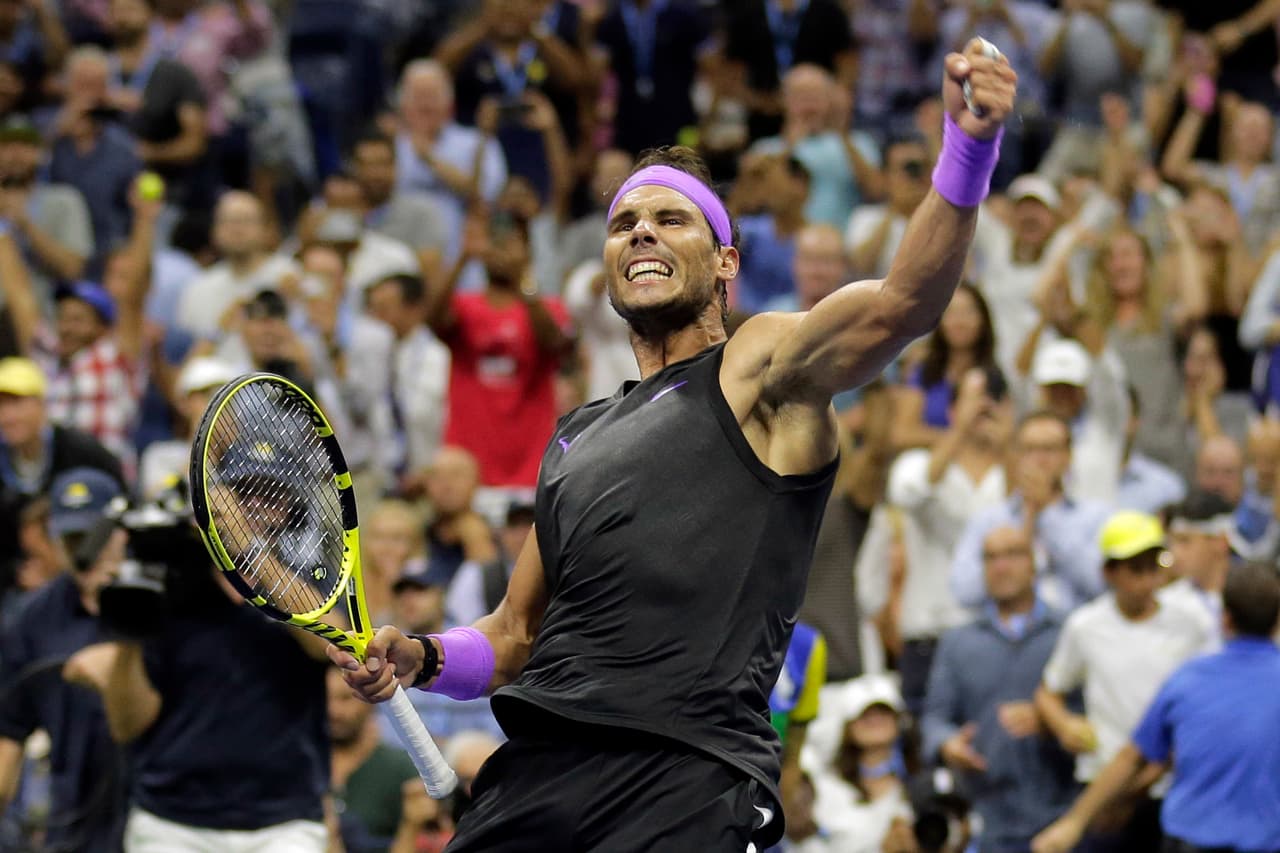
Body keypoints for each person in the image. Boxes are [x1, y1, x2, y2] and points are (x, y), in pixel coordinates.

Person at [332, 41, 1017, 851]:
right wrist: (424, 654)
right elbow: (516, 633)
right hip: (539, 777)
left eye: (670, 218)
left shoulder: (759, 366)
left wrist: (968, 146)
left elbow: (903, 300)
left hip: (686, 779)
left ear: (725, 260)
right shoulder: (575, 436)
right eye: (623, 222)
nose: (641, 232)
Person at [1031, 562, 1280, 853]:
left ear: (1224, 619)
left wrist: (1074, 822)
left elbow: (1132, 757)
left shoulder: (1187, 681)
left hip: (1189, 843)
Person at [1034, 511, 1212, 853]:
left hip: (1168, 787)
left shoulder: (1190, 625)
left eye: (1153, 567)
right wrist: (1064, 723)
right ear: (1109, 572)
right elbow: (1049, 691)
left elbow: (1199, 710)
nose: (1147, 581)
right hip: (1101, 783)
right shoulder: (1085, 626)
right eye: (1135, 570)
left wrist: (1143, 781)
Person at [0, 467, 127, 853]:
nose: (83, 550)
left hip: (157, 808)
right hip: (73, 814)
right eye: (71, 539)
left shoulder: (165, 602)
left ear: (120, 531)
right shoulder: (34, 618)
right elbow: (9, 730)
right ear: (52, 539)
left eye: (93, 536)